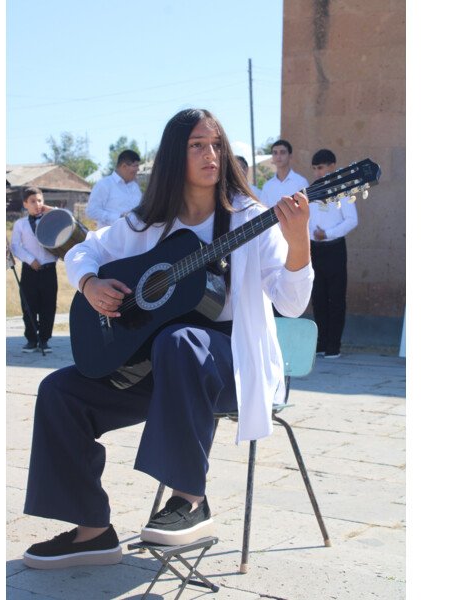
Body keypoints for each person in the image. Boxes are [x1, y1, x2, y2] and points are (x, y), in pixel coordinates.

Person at [21, 108, 314, 570]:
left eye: (216, 145)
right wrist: (90, 284)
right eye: (197, 145)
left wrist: (299, 242)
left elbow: (292, 303)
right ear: (176, 155)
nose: (211, 154)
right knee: (60, 391)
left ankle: (189, 499)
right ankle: (91, 531)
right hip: (159, 364)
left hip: (230, 363)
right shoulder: (147, 223)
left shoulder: (250, 219)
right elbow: (85, 250)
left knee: (180, 340)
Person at [308, 149, 358, 358]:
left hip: (334, 248)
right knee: (318, 297)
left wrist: (327, 234)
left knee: (336, 298)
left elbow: (352, 220)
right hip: (314, 249)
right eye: (314, 168)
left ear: (332, 166)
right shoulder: (311, 190)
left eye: (320, 168)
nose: (317, 172)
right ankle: (321, 343)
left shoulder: (343, 190)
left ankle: (333, 345)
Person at [10, 187, 58, 353]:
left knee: (48, 305)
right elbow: (16, 246)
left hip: (49, 270)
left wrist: (50, 210)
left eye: (39, 200)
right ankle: (31, 339)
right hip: (30, 270)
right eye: (32, 201)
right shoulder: (20, 224)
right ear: (25, 204)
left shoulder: (51, 219)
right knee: (29, 305)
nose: (37, 204)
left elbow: (67, 217)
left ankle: (44, 339)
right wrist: (31, 260)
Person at [86, 149, 142, 228]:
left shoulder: (135, 187)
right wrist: (119, 218)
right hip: (110, 235)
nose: (138, 169)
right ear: (124, 166)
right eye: (135, 166)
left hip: (133, 234)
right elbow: (91, 211)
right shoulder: (104, 185)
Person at [259, 139, 309, 208]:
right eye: (275, 153)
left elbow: (307, 208)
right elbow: (263, 210)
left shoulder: (301, 182)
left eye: (282, 152)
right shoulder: (267, 186)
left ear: (290, 156)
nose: (278, 156)